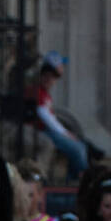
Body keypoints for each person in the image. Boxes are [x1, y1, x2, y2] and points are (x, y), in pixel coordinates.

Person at [26, 51, 89, 181]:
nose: (50, 80)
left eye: (54, 77)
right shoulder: (37, 92)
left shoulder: (44, 93)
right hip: (41, 130)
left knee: (80, 147)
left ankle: (74, 178)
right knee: (77, 149)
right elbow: (46, 118)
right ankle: (80, 179)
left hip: (45, 130)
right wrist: (65, 133)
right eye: (47, 76)